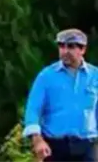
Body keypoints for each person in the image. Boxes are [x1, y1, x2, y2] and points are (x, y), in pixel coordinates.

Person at [23, 28, 98, 161]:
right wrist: (37, 140)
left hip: (86, 146)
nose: (65, 51)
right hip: (55, 146)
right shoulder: (46, 76)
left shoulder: (95, 76)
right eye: (61, 46)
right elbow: (33, 109)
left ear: (83, 50)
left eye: (70, 47)